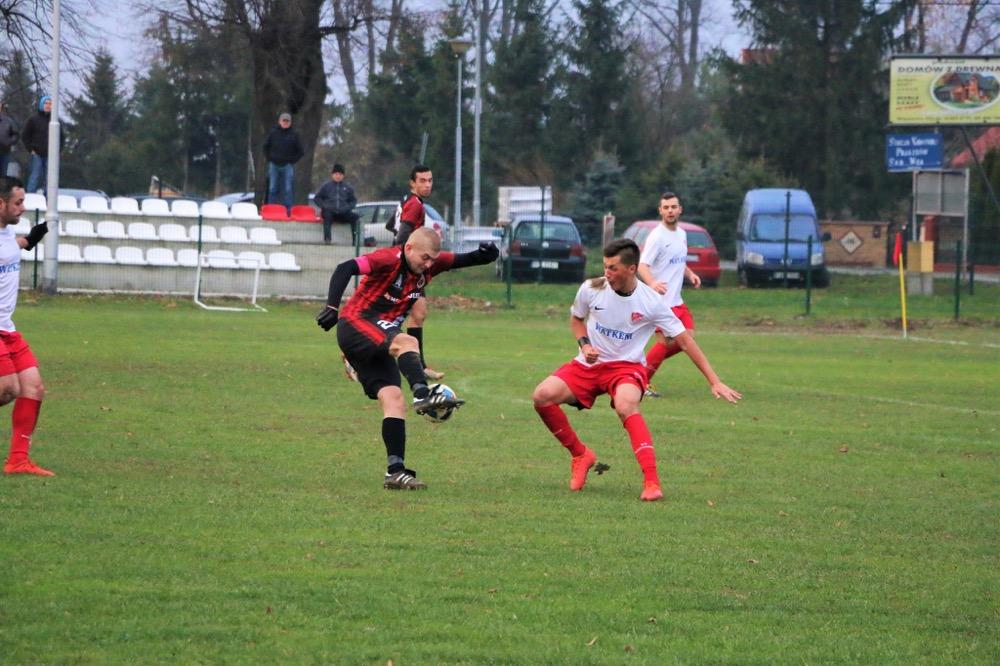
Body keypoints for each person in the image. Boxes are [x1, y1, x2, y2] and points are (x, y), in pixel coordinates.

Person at [532, 238, 741, 501]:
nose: (607, 273)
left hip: (626, 368)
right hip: (589, 365)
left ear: (631, 269)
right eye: (605, 266)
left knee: (626, 405)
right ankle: (580, 455)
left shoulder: (651, 301)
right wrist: (585, 345)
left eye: (613, 268)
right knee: (542, 396)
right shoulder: (591, 288)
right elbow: (577, 319)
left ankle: (652, 483)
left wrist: (714, 381)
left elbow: (685, 340)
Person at [316, 227, 499, 490]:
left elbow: (463, 259)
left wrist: (485, 256)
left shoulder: (428, 265)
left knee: (394, 400)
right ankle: (422, 394)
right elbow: (345, 268)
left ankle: (395, 472)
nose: (429, 264)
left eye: (433, 260)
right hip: (357, 323)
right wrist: (332, 306)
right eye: (425, 258)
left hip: (379, 337)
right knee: (407, 342)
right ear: (409, 248)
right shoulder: (388, 259)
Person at [0, 177, 52, 476]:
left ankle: (18, 461)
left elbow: (12, 245)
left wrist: (30, 240)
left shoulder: (7, 232)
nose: (23, 208)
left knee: (33, 387)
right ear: (0, 203)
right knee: (7, 389)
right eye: (18, 202)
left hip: (7, 328)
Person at [637, 191, 702, 398]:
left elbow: (678, 261)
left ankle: (640, 368)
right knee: (664, 344)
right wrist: (652, 283)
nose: (670, 211)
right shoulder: (657, 237)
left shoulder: (681, 234)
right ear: (660, 211)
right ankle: (641, 381)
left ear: (680, 209)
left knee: (688, 339)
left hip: (677, 301)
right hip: (660, 302)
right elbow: (642, 266)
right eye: (666, 207)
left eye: (673, 207)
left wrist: (690, 274)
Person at [392, 165, 444, 379]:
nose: (427, 184)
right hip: (405, 269)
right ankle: (354, 357)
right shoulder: (415, 205)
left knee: (418, 313)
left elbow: (392, 226)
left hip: (408, 269)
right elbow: (401, 236)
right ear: (412, 183)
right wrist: (404, 265)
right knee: (389, 317)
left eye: (430, 180)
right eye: (422, 181)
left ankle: (419, 365)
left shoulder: (406, 201)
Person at [263, 112, 304, 215]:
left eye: (287, 121)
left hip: (287, 165)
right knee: (272, 188)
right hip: (274, 164)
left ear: (290, 122)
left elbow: (300, 151)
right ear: (279, 121)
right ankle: (271, 209)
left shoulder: (294, 134)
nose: (285, 123)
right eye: (283, 120)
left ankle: (288, 211)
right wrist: (270, 158)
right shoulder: (273, 133)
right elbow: (265, 147)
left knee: (288, 189)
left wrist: (292, 160)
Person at [313, 163, 358, 244]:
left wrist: (347, 207)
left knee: (355, 217)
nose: (338, 176)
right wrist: (324, 206)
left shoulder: (348, 187)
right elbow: (317, 198)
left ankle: (355, 240)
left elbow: (353, 201)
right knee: (327, 216)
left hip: (343, 212)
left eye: (340, 174)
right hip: (330, 212)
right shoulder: (326, 186)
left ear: (343, 176)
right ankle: (327, 239)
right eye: (336, 174)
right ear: (332, 175)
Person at [22, 96, 53, 194]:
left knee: (50, 178)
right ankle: (30, 196)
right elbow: (25, 135)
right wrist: (31, 149)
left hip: (50, 155)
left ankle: (48, 197)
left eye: (50, 103)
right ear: (41, 104)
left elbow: (61, 137)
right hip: (37, 154)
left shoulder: (54, 120)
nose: (48, 105)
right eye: (46, 103)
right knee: (35, 176)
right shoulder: (33, 119)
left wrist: (58, 151)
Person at [0, 102, 19, 178]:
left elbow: (16, 134)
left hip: (4, 152)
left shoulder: (8, 121)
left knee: (2, 175)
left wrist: (10, 141)